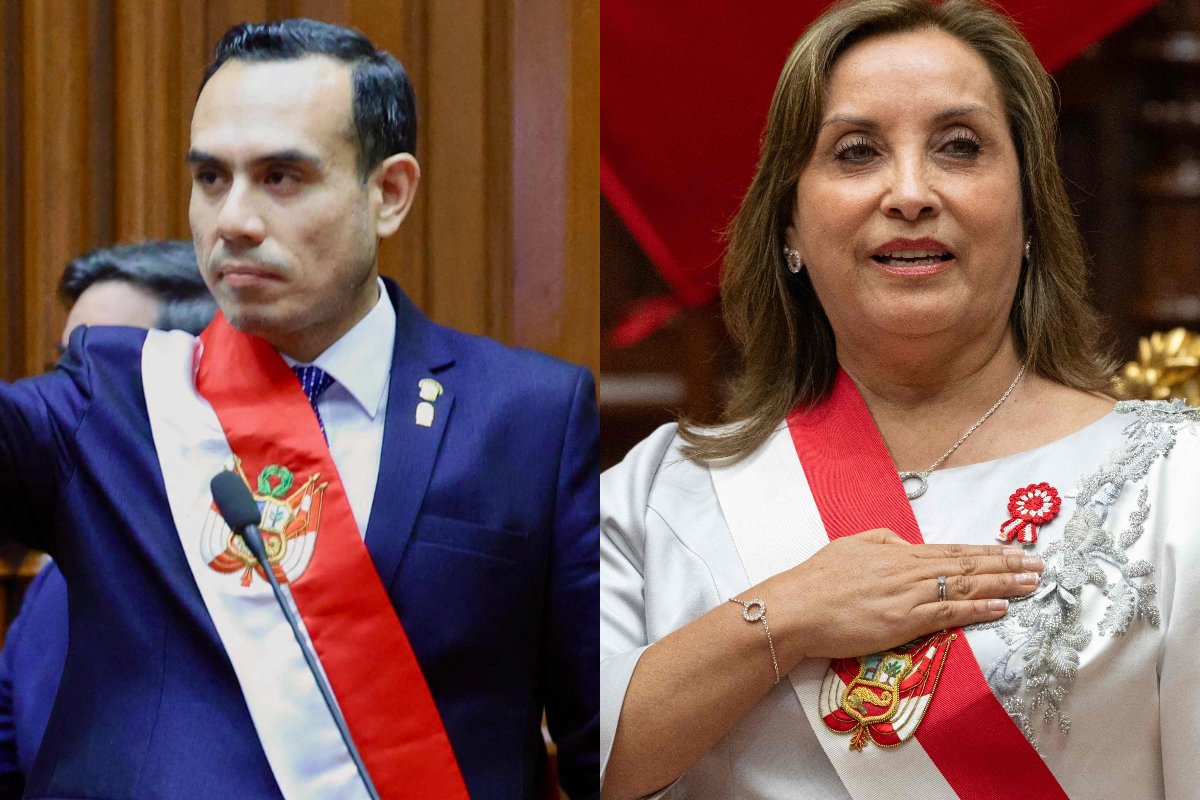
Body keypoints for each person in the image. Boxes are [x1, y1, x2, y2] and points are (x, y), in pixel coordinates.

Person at [600, 1, 1198, 798]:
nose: (910, 192)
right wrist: (784, 615)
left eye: (959, 147)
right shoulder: (659, 495)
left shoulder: (1175, 484)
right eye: (856, 152)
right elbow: (583, 762)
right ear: (789, 225)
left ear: (1028, 214)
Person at [0, 19, 597, 800]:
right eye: (211, 178)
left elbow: (598, 744)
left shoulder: (528, 415)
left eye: (281, 177)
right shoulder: (111, 397)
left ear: (388, 193)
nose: (233, 221)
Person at [0, 240, 218, 796]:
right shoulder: (53, 582)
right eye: (61, 370)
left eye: (98, 382)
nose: (63, 401)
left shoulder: (256, 574)